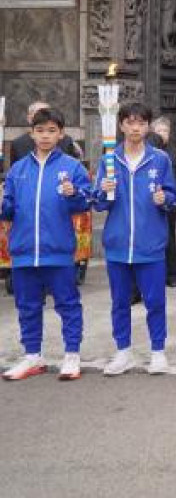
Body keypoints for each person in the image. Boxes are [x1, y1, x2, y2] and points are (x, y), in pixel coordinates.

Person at [0, 106, 91, 381]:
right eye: (40, 130)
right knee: (27, 306)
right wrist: (2, 202)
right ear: (31, 133)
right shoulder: (17, 170)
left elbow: (85, 202)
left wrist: (74, 194)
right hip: (24, 252)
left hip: (58, 251)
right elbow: (8, 211)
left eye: (51, 131)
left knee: (67, 304)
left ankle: (72, 355)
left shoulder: (72, 167)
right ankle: (32, 356)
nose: (45, 136)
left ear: (61, 134)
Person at [92, 102, 176, 376]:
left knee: (155, 302)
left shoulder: (160, 160)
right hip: (118, 245)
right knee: (120, 302)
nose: (135, 128)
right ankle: (123, 352)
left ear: (148, 127)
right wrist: (103, 191)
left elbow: (174, 195)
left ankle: (158, 352)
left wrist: (164, 198)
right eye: (130, 122)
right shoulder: (109, 160)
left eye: (141, 123)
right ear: (121, 125)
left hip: (150, 244)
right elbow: (98, 204)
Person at [148, 117, 176, 287]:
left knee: (170, 238)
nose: (162, 134)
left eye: (165, 131)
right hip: (149, 202)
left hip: (168, 201)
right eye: (159, 131)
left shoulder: (173, 154)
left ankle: (172, 275)